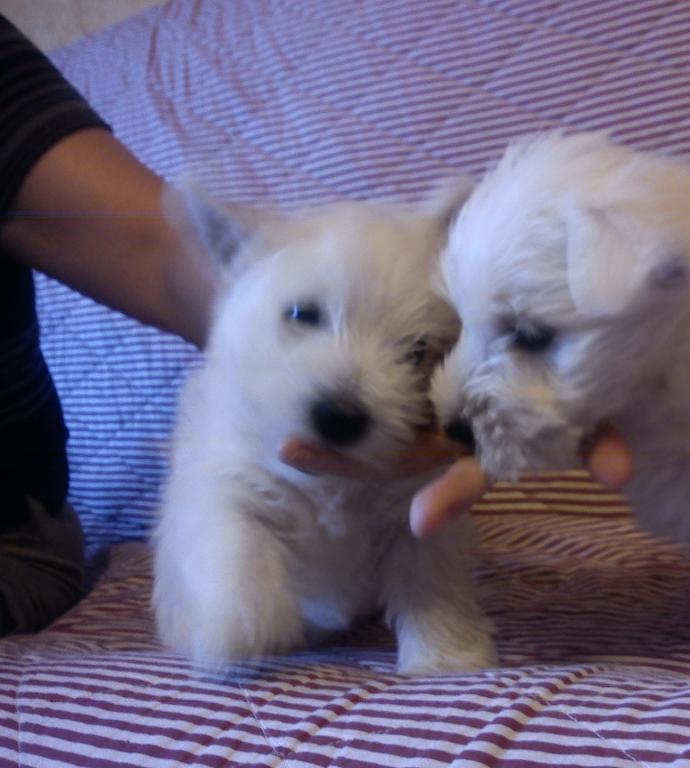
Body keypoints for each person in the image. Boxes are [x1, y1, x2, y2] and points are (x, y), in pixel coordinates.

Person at [0, 14, 630, 634]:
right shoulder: (228, 414)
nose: (347, 390)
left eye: (414, 351)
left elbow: (155, 252)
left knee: (419, 523)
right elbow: (219, 509)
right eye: (305, 318)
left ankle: (431, 620)